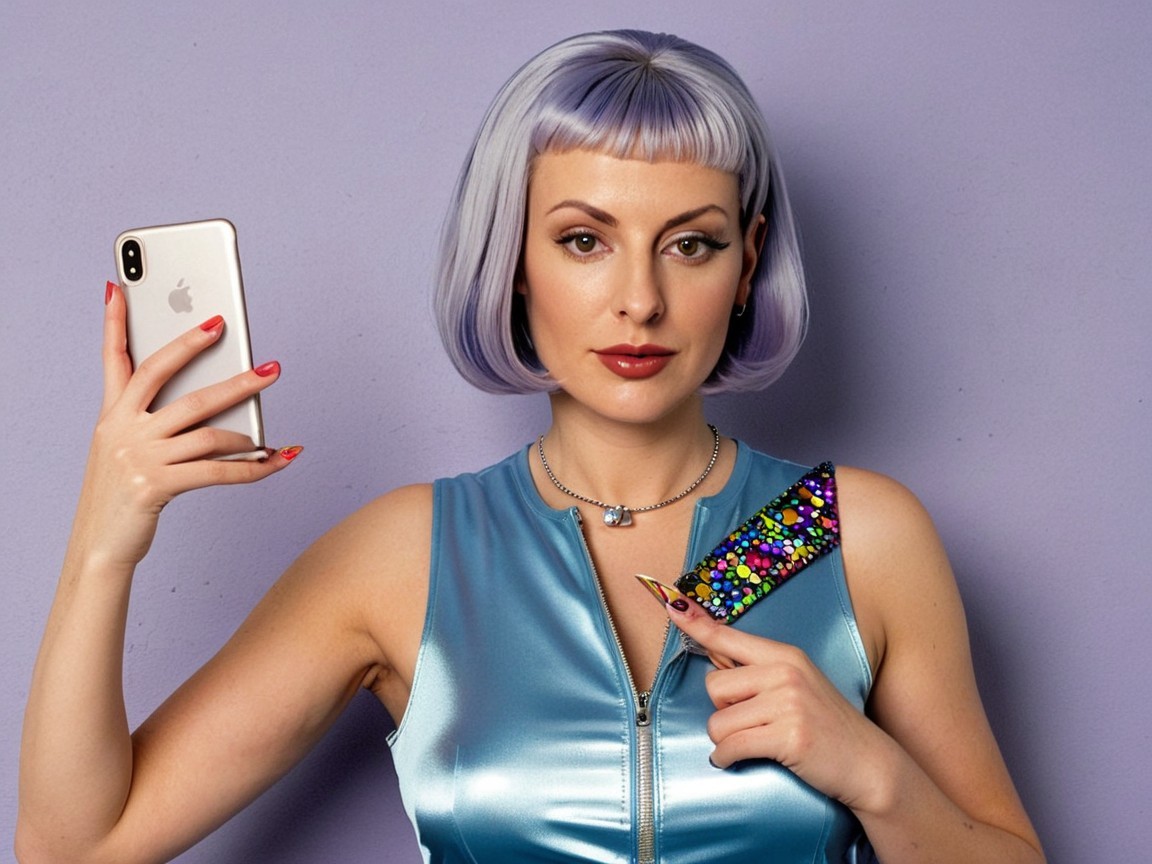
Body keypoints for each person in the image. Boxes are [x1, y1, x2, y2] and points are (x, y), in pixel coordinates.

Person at [16, 29, 1045, 864]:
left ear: (747, 263)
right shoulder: (410, 555)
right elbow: (74, 848)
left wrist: (873, 772)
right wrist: (105, 534)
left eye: (691, 243)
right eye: (584, 240)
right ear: (514, 259)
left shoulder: (840, 534)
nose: (639, 299)